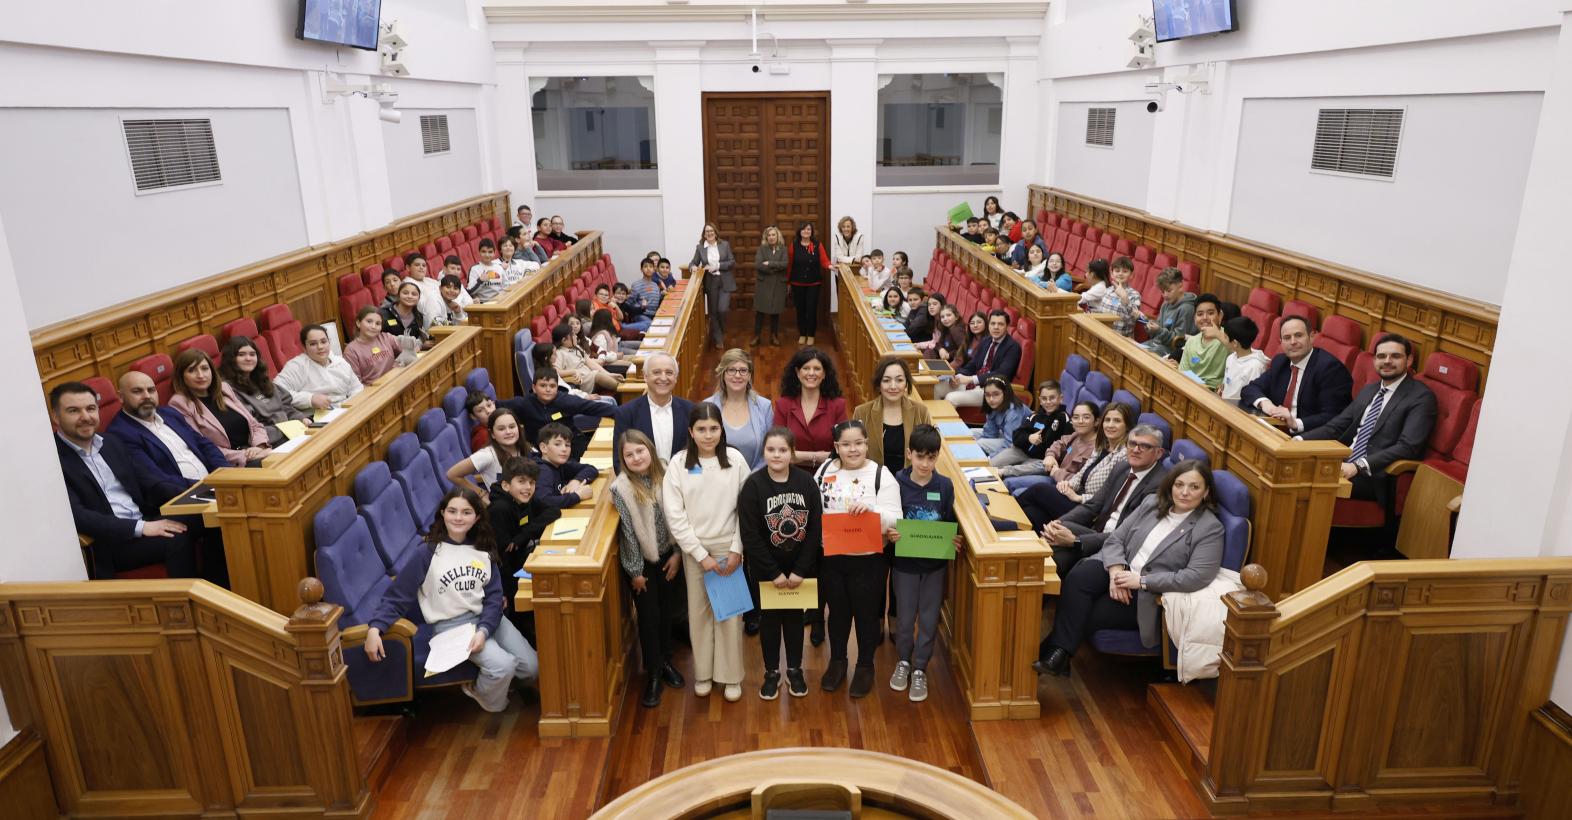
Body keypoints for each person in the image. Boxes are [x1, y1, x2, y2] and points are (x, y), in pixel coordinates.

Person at [1035, 461, 1223, 677]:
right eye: (1179, 484)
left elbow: (1197, 576)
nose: (1185, 492)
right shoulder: (1152, 503)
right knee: (1078, 577)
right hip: (1118, 566)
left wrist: (1140, 581)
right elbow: (1116, 538)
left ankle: (1052, 655)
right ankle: (1056, 656)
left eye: (1194, 487)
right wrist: (1116, 571)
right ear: (1171, 485)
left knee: (1089, 611)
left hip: (1145, 591)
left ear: (1206, 491)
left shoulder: (1209, 528)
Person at [365, 487, 538, 712]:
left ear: (476, 517)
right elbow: (397, 596)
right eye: (452, 511)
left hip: (488, 619)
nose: (458, 518)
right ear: (442, 514)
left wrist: (484, 630)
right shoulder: (426, 553)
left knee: (532, 667)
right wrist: (375, 629)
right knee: (502, 667)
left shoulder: (484, 549)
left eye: (466, 512)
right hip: (452, 626)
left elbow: (494, 596)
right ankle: (482, 693)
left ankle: (504, 685)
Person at [52, 381, 198, 579]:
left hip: (144, 519)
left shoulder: (111, 442)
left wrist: (197, 492)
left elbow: (148, 481)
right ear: (55, 417)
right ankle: (187, 607)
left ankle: (227, 590)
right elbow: (78, 516)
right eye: (73, 411)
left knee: (205, 518)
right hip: (111, 542)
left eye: (91, 408)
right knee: (176, 540)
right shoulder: (53, 460)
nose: (85, 417)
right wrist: (142, 528)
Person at [663, 403, 751, 702]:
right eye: (701, 429)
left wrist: (737, 549)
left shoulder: (736, 460)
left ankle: (730, 677)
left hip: (729, 548)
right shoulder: (679, 464)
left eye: (714, 428)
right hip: (695, 550)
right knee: (699, 614)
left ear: (721, 430)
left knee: (728, 615)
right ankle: (703, 673)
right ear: (691, 431)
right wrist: (700, 554)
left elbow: (746, 509)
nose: (708, 435)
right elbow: (675, 515)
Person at [1300, 334, 1437, 520]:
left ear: (1409, 360)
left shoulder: (1421, 397)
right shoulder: (1370, 390)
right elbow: (1336, 427)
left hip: (1376, 476)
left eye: (1395, 356)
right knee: (1293, 468)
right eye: (1381, 356)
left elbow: (1408, 447)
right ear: (1374, 360)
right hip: (1343, 461)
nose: (1387, 361)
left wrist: (1358, 465)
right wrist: (1298, 441)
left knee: (1303, 482)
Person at [814, 420, 902, 698]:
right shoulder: (825, 470)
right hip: (832, 557)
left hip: (869, 559)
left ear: (867, 444)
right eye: (846, 444)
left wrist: (873, 510)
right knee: (837, 614)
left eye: (859, 443)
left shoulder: (881, 474)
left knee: (865, 616)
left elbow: (897, 519)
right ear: (836, 447)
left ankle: (865, 666)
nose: (853, 449)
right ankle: (837, 661)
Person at [738, 427, 823, 700]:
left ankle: (795, 669)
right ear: (764, 452)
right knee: (770, 622)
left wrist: (800, 570)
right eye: (771, 450)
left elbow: (814, 531)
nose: (777, 455)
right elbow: (749, 535)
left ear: (792, 453)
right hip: (766, 572)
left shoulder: (806, 483)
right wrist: (773, 573)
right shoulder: (753, 485)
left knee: (795, 620)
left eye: (783, 450)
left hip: (799, 570)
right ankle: (772, 672)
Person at [609, 431, 685, 708]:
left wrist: (677, 553)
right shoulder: (622, 489)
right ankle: (653, 672)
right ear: (623, 460)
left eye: (640, 451)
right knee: (649, 618)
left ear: (650, 450)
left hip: (669, 556)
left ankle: (667, 661)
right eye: (629, 455)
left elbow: (680, 514)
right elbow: (628, 534)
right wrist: (635, 572)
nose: (636, 458)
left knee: (668, 613)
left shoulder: (666, 473)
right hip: (642, 565)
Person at [888, 424, 961, 702]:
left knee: (929, 620)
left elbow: (949, 523)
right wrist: (890, 532)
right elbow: (890, 518)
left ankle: (920, 668)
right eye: (920, 457)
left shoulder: (944, 485)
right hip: (905, 565)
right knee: (905, 619)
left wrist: (954, 540)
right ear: (909, 455)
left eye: (931, 458)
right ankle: (903, 662)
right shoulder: (896, 481)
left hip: (934, 567)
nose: (925, 463)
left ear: (938, 456)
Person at [1039, 424, 1168, 579]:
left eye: (1144, 446)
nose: (1135, 449)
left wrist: (1076, 541)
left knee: (1057, 557)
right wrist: (1057, 524)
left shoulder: (1160, 485)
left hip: (1120, 545)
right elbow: (1093, 505)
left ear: (1159, 453)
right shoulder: (1123, 467)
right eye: (1132, 443)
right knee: (1052, 545)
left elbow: (1128, 535)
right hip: (1097, 531)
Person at [1017, 401, 1136, 528]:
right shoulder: (1101, 446)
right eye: (1107, 420)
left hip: (1089, 510)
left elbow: (1110, 497)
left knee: (1039, 489)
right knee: (1033, 513)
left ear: (1127, 426)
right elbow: (1081, 474)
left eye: (1117, 421)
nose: (1110, 425)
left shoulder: (1124, 456)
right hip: (1074, 496)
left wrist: (1079, 498)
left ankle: (1005, 516)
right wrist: (1068, 485)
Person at [105, 370, 226, 489]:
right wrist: (205, 488)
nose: (147, 396)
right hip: (184, 496)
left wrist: (225, 473)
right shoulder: (120, 434)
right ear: (121, 397)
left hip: (214, 484)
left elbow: (204, 445)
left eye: (151, 390)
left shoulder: (170, 413)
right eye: (137, 391)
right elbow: (156, 479)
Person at [1240, 315, 1354, 433]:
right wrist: (1266, 404)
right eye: (1287, 338)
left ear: (1311, 337)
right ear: (1281, 342)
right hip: (1275, 431)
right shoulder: (1281, 362)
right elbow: (1250, 389)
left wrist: (1295, 423)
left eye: (1298, 335)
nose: (1293, 342)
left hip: (1309, 438)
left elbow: (1334, 416)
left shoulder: (1330, 369)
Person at [487, 457, 559, 633]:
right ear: (506, 485)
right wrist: (505, 593)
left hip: (519, 562)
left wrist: (522, 536)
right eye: (521, 482)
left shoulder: (524, 498)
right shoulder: (500, 509)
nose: (528, 488)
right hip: (503, 574)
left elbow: (553, 511)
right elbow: (500, 557)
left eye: (532, 483)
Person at [168, 348, 271, 466]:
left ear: (211, 371)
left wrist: (259, 446)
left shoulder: (224, 389)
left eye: (205, 368)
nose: (201, 375)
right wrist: (246, 455)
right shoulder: (180, 404)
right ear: (182, 376)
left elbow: (254, 424)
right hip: (232, 463)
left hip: (257, 451)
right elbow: (202, 447)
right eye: (192, 370)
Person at [501, 366, 616, 455]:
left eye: (552, 386)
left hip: (570, 444)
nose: (548, 389)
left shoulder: (565, 400)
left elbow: (593, 407)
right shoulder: (523, 403)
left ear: (557, 387)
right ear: (534, 388)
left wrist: (624, 413)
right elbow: (494, 406)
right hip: (541, 451)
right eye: (543, 385)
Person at [219, 335, 311, 446]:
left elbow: (285, 406)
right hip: (269, 440)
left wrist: (300, 418)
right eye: (241, 355)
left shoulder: (260, 379)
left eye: (252, 354)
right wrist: (285, 429)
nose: (248, 358)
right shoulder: (228, 389)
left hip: (290, 430)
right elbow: (252, 426)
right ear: (231, 359)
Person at [851, 356, 933, 476]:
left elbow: (928, 449)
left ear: (906, 384)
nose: (893, 386)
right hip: (874, 481)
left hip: (910, 482)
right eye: (886, 380)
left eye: (899, 380)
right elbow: (855, 451)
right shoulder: (862, 412)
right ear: (879, 384)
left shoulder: (920, 411)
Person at [613, 353, 694, 467]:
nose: (663, 378)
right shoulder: (626, 413)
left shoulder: (690, 410)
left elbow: (697, 453)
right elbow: (619, 461)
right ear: (645, 376)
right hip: (641, 484)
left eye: (669, 373)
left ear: (675, 378)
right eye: (656, 372)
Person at [773, 347, 847, 471]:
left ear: (824, 374)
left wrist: (797, 455)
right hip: (790, 475)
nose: (811, 373)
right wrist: (817, 456)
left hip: (829, 474)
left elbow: (844, 449)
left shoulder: (838, 405)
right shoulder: (783, 405)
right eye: (806, 368)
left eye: (817, 369)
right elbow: (778, 451)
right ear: (797, 372)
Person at [1004, 400, 1100, 495]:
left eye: (1086, 417)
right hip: (1053, 477)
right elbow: (1059, 443)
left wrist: (1057, 472)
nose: (1080, 421)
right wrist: (1050, 455)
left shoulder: (1096, 450)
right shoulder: (1076, 435)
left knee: (1018, 493)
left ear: (1096, 421)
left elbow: (1081, 483)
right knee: (1009, 483)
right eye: (1076, 417)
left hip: (1066, 489)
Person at [704, 349, 774, 470]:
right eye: (731, 370)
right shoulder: (707, 406)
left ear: (749, 375)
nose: (737, 375)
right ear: (723, 374)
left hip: (755, 482)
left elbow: (771, 449)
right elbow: (701, 450)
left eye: (743, 370)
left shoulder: (764, 406)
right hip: (716, 480)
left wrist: (751, 480)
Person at [990, 380, 1070, 476]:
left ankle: (1004, 472)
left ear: (1060, 398)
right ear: (1040, 399)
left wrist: (1052, 457)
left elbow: (1068, 445)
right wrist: (1029, 437)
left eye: (1052, 398)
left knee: (1044, 466)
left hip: (1042, 460)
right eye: (1044, 398)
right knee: (991, 465)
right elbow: (1016, 435)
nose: (1048, 402)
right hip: (1022, 452)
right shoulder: (1035, 415)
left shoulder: (1064, 418)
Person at [944, 309, 1021, 407]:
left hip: (991, 390)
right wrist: (956, 376)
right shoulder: (986, 340)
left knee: (951, 398)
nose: (996, 327)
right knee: (937, 387)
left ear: (1007, 326)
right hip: (973, 384)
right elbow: (973, 364)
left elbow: (1002, 374)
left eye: (1000, 324)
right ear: (989, 325)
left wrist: (971, 379)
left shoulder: (1012, 347)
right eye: (993, 323)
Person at [275, 324, 362, 410]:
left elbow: (357, 388)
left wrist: (350, 405)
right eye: (313, 344)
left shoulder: (340, 362)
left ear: (329, 342)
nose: (320, 347)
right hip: (316, 416)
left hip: (347, 408)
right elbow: (276, 392)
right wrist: (309, 399)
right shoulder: (297, 365)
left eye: (323, 342)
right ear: (304, 348)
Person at [448, 407, 528, 497]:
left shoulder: (527, 448)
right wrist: (482, 494)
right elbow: (452, 474)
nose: (508, 432)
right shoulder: (487, 455)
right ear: (492, 434)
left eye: (512, 427)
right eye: (501, 429)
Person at [688, 223, 736, 350]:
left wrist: (717, 266)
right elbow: (693, 262)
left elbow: (732, 262)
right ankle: (718, 338)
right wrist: (692, 266)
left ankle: (721, 330)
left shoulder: (724, 245)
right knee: (713, 312)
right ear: (704, 234)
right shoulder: (700, 248)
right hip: (710, 282)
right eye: (706, 231)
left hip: (725, 280)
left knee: (722, 309)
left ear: (715, 232)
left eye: (711, 231)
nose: (709, 233)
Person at [532, 422, 598, 510]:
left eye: (567, 445)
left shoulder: (559, 464)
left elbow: (590, 469)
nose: (564, 449)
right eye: (557, 444)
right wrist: (578, 496)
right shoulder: (543, 471)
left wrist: (576, 481)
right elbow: (544, 501)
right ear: (543, 448)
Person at [788, 222, 832, 345]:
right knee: (800, 310)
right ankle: (802, 333)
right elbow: (790, 265)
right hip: (797, 283)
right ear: (799, 231)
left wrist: (830, 266)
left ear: (811, 231)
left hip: (814, 283)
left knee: (811, 309)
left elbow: (824, 260)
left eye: (808, 229)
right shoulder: (794, 245)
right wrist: (788, 282)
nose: (806, 231)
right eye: (803, 229)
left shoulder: (818, 245)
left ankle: (811, 334)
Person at [1175, 293, 1230, 389]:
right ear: (1195, 318)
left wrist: (1218, 335)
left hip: (1214, 394)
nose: (1205, 318)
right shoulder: (1191, 341)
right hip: (1190, 388)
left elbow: (1243, 356)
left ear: (1220, 315)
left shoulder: (1229, 337)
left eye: (1210, 313)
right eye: (1200, 314)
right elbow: (1183, 373)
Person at [748, 225, 790, 345]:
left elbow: (785, 264)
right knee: (760, 312)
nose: (771, 237)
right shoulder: (762, 249)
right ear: (766, 237)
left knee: (775, 312)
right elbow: (759, 265)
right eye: (769, 235)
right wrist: (775, 267)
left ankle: (774, 336)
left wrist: (770, 263)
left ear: (778, 236)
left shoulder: (783, 249)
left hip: (778, 285)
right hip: (763, 284)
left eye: (773, 235)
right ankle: (756, 336)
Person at [1140, 268, 1197, 356]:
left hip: (1173, 350)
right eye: (1162, 291)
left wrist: (1158, 331)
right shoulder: (1166, 304)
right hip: (1158, 343)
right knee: (1135, 349)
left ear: (1180, 286)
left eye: (1169, 290)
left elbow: (1179, 341)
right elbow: (1159, 326)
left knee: (1144, 355)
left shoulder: (1187, 308)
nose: (1165, 295)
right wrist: (1150, 326)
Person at [552, 322, 622, 393]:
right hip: (581, 381)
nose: (576, 336)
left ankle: (625, 386)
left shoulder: (577, 348)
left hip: (589, 375)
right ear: (564, 340)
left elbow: (590, 363)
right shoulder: (559, 353)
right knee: (598, 375)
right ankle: (623, 389)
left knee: (601, 374)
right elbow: (555, 371)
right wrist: (573, 371)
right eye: (573, 334)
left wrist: (609, 374)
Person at [344, 305, 405, 386]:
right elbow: (355, 384)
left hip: (395, 382)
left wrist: (399, 362)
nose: (373, 326)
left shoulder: (386, 337)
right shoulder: (351, 350)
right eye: (369, 321)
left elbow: (409, 349)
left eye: (378, 323)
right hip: (374, 391)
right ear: (358, 323)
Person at [974, 376, 1031, 457]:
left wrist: (991, 457)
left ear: (1005, 393)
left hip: (1019, 445)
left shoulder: (1013, 412)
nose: (991, 399)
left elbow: (1010, 444)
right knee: (971, 433)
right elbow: (989, 434)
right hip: (1006, 434)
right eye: (987, 395)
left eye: (996, 394)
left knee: (980, 443)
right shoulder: (994, 405)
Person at [1220, 317, 1268, 403]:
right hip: (1224, 402)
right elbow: (1227, 382)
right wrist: (1222, 387)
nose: (1223, 340)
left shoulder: (1255, 366)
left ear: (1235, 343)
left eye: (1225, 337)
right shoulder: (1230, 358)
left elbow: (1252, 395)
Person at [1095, 257, 1142, 337]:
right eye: (1117, 271)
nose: (1120, 273)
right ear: (1112, 274)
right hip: (1102, 334)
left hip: (1121, 339)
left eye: (1125, 271)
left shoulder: (1135, 295)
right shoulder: (1107, 291)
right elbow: (1100, 312)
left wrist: (1124, 298)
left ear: (1131, 275)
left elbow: (1131, 320)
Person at [629, 258, 665, 325]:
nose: (648, 269)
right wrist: (641, 306)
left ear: (654, 269)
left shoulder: (655, 285)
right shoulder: (636, 285)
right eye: (645, 266)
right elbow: (630, 304)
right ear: (641, 269)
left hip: (655, 314)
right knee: (652, 325)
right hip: (642, 315)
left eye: (651, 266)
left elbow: (657, 300)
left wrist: (662, 294)